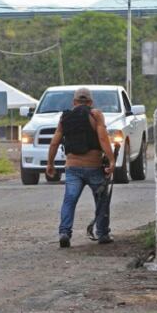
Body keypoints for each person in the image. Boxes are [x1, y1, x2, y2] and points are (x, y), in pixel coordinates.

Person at [46, 87, 116, 248]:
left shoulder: (65, 117)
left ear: (74, 102)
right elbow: (103, 139)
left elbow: (55, 142)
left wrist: (50, 163)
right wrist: (111, 161)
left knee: (69, 200)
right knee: (102, 200)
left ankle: (64, 232)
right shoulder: (96, 115)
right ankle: (103, 233)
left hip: (72, 167)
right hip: (94, 167)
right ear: (91, 102)